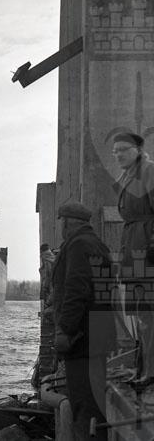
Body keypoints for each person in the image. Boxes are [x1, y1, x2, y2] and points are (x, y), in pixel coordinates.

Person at [52, 201, 114, 441]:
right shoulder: (97, 244)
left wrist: (65, 330)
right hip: (97, 335)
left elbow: (77, 289)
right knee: (95, 404)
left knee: (84, 407)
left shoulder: (78, 245)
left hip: (82, 339)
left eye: (62, 222)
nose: (61, 228)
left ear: (68, 222)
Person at [112, 131, 154, 384]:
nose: (118, 155)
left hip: (146, 251)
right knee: (139, 314)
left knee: (148, 314)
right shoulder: (127, 177)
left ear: (138, 149)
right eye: (115, 151)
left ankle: (150, 372)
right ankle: (142, 369)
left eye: (124, 150)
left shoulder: (149, 171)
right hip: (133, 247)